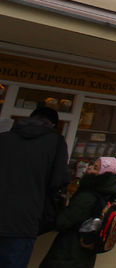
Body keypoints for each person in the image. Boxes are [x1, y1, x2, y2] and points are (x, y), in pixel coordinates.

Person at [0, 106, 69, 268]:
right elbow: (58, 181)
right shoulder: (56, 142)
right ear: (52, 124)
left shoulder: (3, 138)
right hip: (24, 221)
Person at [40, 157, 116, 268]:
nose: (90, 168)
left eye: (95, 168)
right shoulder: (105, 194)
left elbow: (62, 221)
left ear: (103, 175)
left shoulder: (87, 197)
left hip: (69, 252)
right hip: (84, 253)